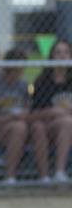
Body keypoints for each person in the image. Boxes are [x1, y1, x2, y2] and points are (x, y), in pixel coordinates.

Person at [0, 48, 46, 184]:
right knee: (18, 127)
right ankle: (10, 177)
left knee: (38, 127)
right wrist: (10, 118)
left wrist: (24, 116)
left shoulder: (23, 85)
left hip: (19, 126)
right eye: (17, 67)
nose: (20, 71)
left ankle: (44, 176)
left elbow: (27, 110)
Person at [29, 39, 72, 183]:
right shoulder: (42, 81)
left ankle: (59, 172)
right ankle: (44, 177)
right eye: (58, 52)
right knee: (38, 127)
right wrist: (54, 112)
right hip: (47, 124)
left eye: (66, 52)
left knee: (66, 122)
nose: (62, 56)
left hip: (66, 126)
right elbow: (33, 114)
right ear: (52, 56)